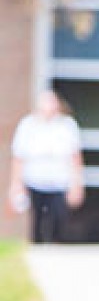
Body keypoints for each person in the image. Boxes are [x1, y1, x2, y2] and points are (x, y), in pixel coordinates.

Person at [8, 88, 85, 243]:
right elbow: (19, 157)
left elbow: (75, 157)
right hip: (35, 180)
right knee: (37, 218)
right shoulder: (28, 125)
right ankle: (37, 248)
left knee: (58, 217)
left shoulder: (66, 126)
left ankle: (56, 246)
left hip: (59, 181)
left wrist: (77, 184)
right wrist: (16, 185)